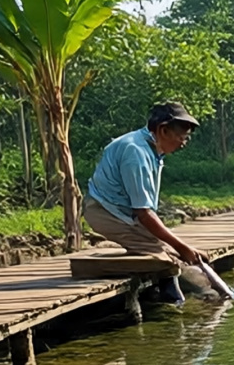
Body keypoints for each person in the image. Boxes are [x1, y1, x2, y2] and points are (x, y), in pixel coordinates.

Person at [84, 101, 209, 302]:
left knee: (164, 247)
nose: (183, 143)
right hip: (104, 211)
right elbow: (144, 213)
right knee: (163, 253)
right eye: (181, 137)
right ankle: (181, 300)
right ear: (163, 130)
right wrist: (183, 248)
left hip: (121, 211)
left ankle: (173, 293)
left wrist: (180, 247)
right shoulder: (136, 152)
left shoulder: (150, 148)